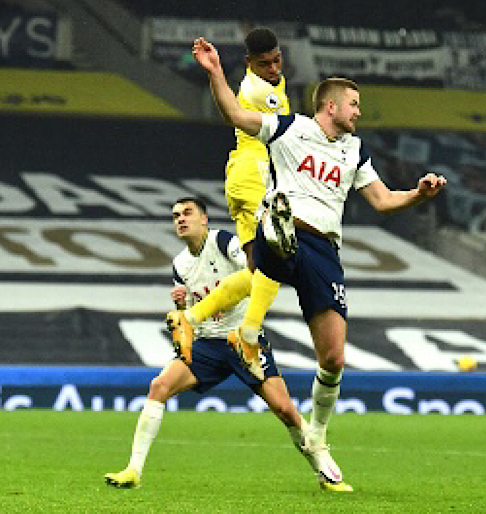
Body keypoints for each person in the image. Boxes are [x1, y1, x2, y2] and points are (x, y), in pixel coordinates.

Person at [191, 37, 448, 487]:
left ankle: (318, 436)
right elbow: (234, 115)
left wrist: (418, 195)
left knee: (333, 358)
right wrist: (215, 71)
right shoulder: (288, 128)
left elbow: (383, 201)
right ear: (329, 107)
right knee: (274, 226)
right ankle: (252, 311)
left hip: (324, 251)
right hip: (284, 233)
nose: (359, 112)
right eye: (354, 104)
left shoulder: (355, 151)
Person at [105, 197, 352, 492]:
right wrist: (184, 304)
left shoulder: (225, 242)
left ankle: (324, 473)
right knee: (159, 386)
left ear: (204, 219)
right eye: (175, 216)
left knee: (285, 409)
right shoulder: (179, 264)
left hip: (242, 341)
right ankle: (133, 470)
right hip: (207, 343)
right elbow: (191, 313)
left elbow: (257, 273)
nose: (180, 220)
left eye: (187, 213)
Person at [166, 27, 290, 382]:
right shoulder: (258, 89)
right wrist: (216, 73)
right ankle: (245, 334)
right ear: (250, 64)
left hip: (244, 176)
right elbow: (233, 114)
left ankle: (190, 319)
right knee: (276, 264)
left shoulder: (273, 83)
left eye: (276, 60)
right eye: (264, 63)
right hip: (254, 178)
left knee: (255, 272)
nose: (273, 68)